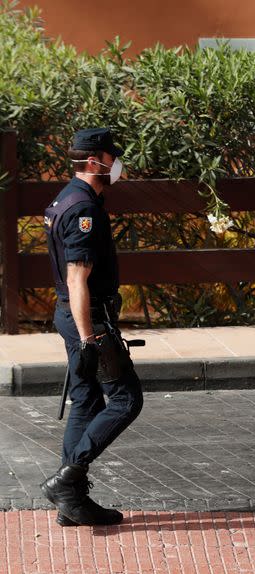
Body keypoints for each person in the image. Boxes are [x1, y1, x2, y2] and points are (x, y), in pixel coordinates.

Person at [40, 128, 144, 526]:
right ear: (94, 160)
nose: (116, 164)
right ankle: (70, 479)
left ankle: (72, 501)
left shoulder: (64, 198)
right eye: (111, 157)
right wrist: (90, 340)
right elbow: (78, 278)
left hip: (70, 313)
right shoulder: (84, 209)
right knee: (125, 399)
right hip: (87, 318)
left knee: (85, 400)